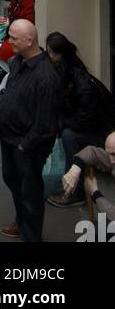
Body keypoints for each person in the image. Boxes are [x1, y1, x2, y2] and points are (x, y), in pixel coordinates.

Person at [0, 19, 61, 243]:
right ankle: (21, 223)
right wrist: (0, 104)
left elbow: (45, 124)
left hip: (27, 145)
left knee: (30, 192)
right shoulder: (17, 62)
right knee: (12, 180)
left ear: (29, 40)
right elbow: (10, 88)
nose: (8, 41)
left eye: (13, 38)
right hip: (10, 138)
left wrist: (24, 146)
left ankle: (31, 236)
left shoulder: (46, 78)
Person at [46, 32, 113, 197]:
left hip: (101, 135)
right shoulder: (70, 69)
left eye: (52, 53)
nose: (50, 56)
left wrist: (60, 123)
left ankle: (76, 190)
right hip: (93, 126)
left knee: (69, 135)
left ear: (60, 54)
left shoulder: (81, 84)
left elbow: (82, 121)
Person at [59, 132, 115, 218]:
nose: (111, 161)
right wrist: (75, 168)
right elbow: (92, 152)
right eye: (109, 154)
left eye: (114, 154)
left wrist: (95, 193)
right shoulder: (112, 159)